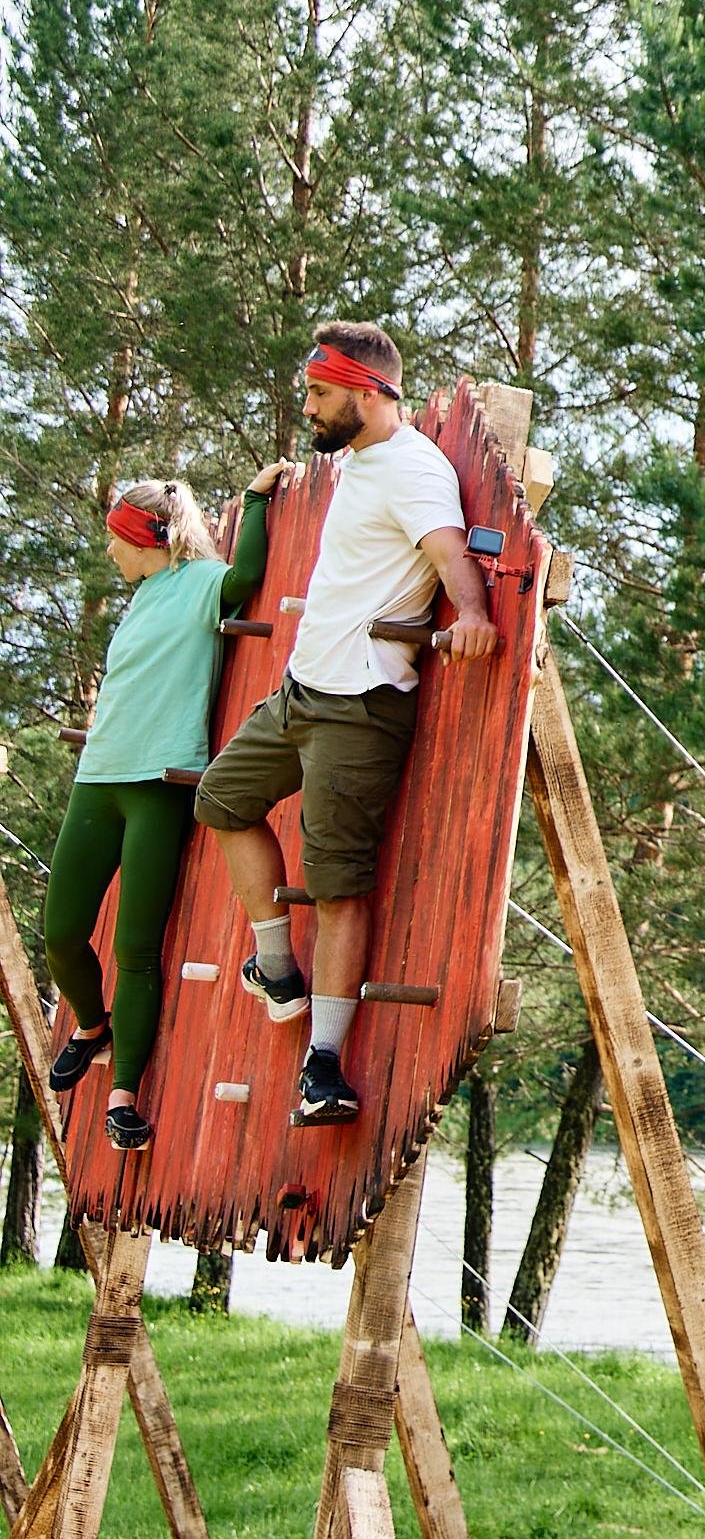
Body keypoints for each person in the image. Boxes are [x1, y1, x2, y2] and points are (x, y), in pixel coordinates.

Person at [193, 325, 497, 1125]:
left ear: (367, 391)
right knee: (222, 800)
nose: (309, 407)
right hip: (301, 690)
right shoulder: (359, 461)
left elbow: (448, 547)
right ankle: (275, 966)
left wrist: (471, 612)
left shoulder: (413, 468)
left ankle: (322, 1066)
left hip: (360, 705)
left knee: (337, 887)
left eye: (320, 393)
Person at [43, 468, 282, 1152]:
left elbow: (247, 576)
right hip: (100, 778)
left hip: (162, 783)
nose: (109, 555)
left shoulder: (202, 582)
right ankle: (92, 1027)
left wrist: (259, 501)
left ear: (142, 538)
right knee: (61, 932)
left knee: (134, 949)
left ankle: (124, 1096)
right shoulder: (140, 596)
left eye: (114, 542)